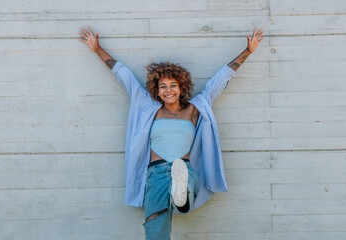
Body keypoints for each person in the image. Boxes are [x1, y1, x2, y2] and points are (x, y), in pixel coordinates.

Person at [79, 26, 263, 239]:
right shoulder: (150, 109)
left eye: (173, 85)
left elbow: (219, 80)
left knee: (183, 178)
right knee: (154, 225)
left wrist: (247, 52)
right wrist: (97, 49)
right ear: (156, 90)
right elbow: (124, 76)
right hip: (156, 173)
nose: (168, 90)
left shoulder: (194, 109)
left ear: (181, 87)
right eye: (163, 86)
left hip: (184, 168)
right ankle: (180, 198)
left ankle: (182, 195)